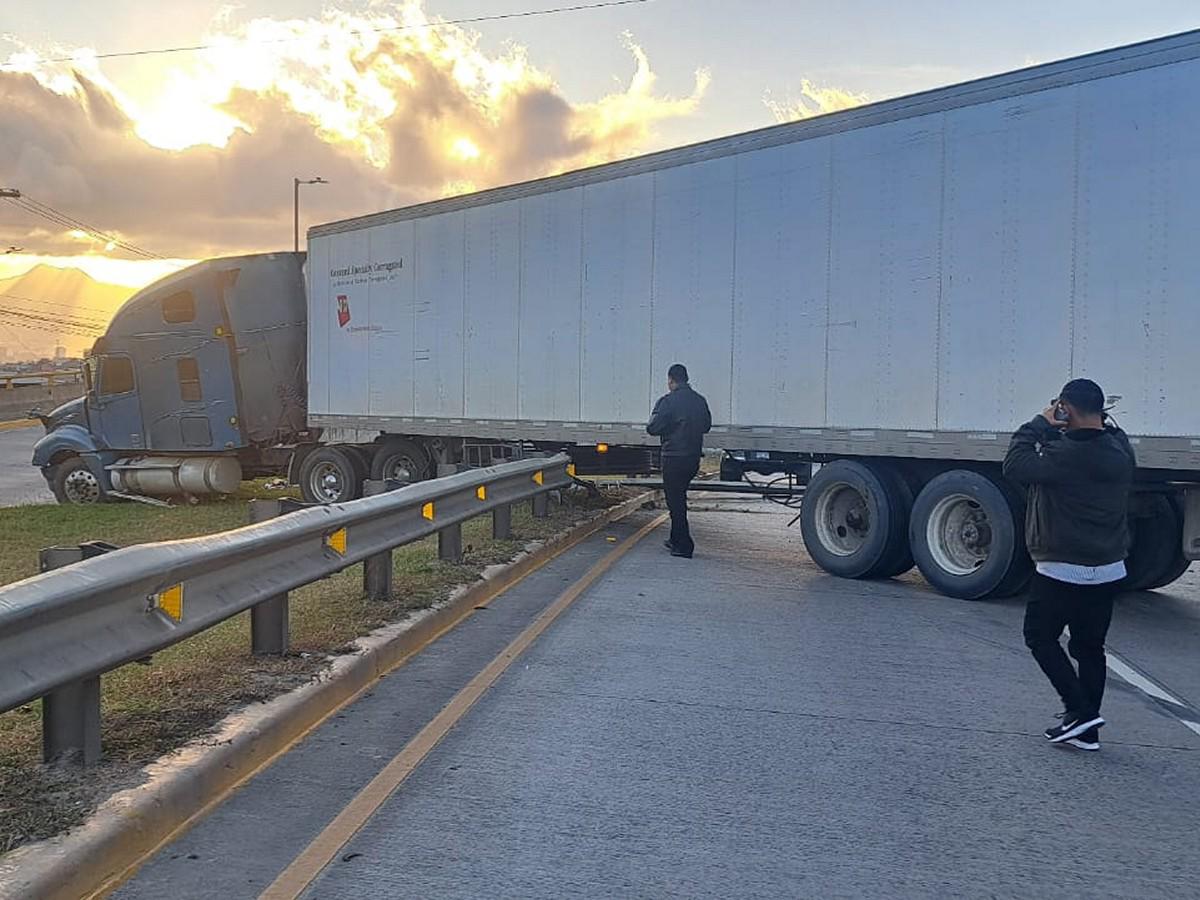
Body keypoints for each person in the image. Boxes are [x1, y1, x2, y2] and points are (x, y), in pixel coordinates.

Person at [1002, 378, 1135, 752]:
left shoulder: (1062, 457)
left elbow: (1015, 464)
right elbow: (1110, 432)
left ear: (1066, 409)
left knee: (1040, 637)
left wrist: (1041, 423)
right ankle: (1087, 732)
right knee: (1090, 648)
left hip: (1062, 568)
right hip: (1108, 567)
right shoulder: (1121, 451)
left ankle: (1078, 710)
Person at [647, 363, 712, 559]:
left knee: (675, 502)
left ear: (671, 380)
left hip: (674, 457)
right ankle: (675, 539)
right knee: (679, 498)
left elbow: (652, 428)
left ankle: (684, 545)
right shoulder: (700, 401)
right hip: (692, 458)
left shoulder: (668, 402)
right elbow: (706, 426)